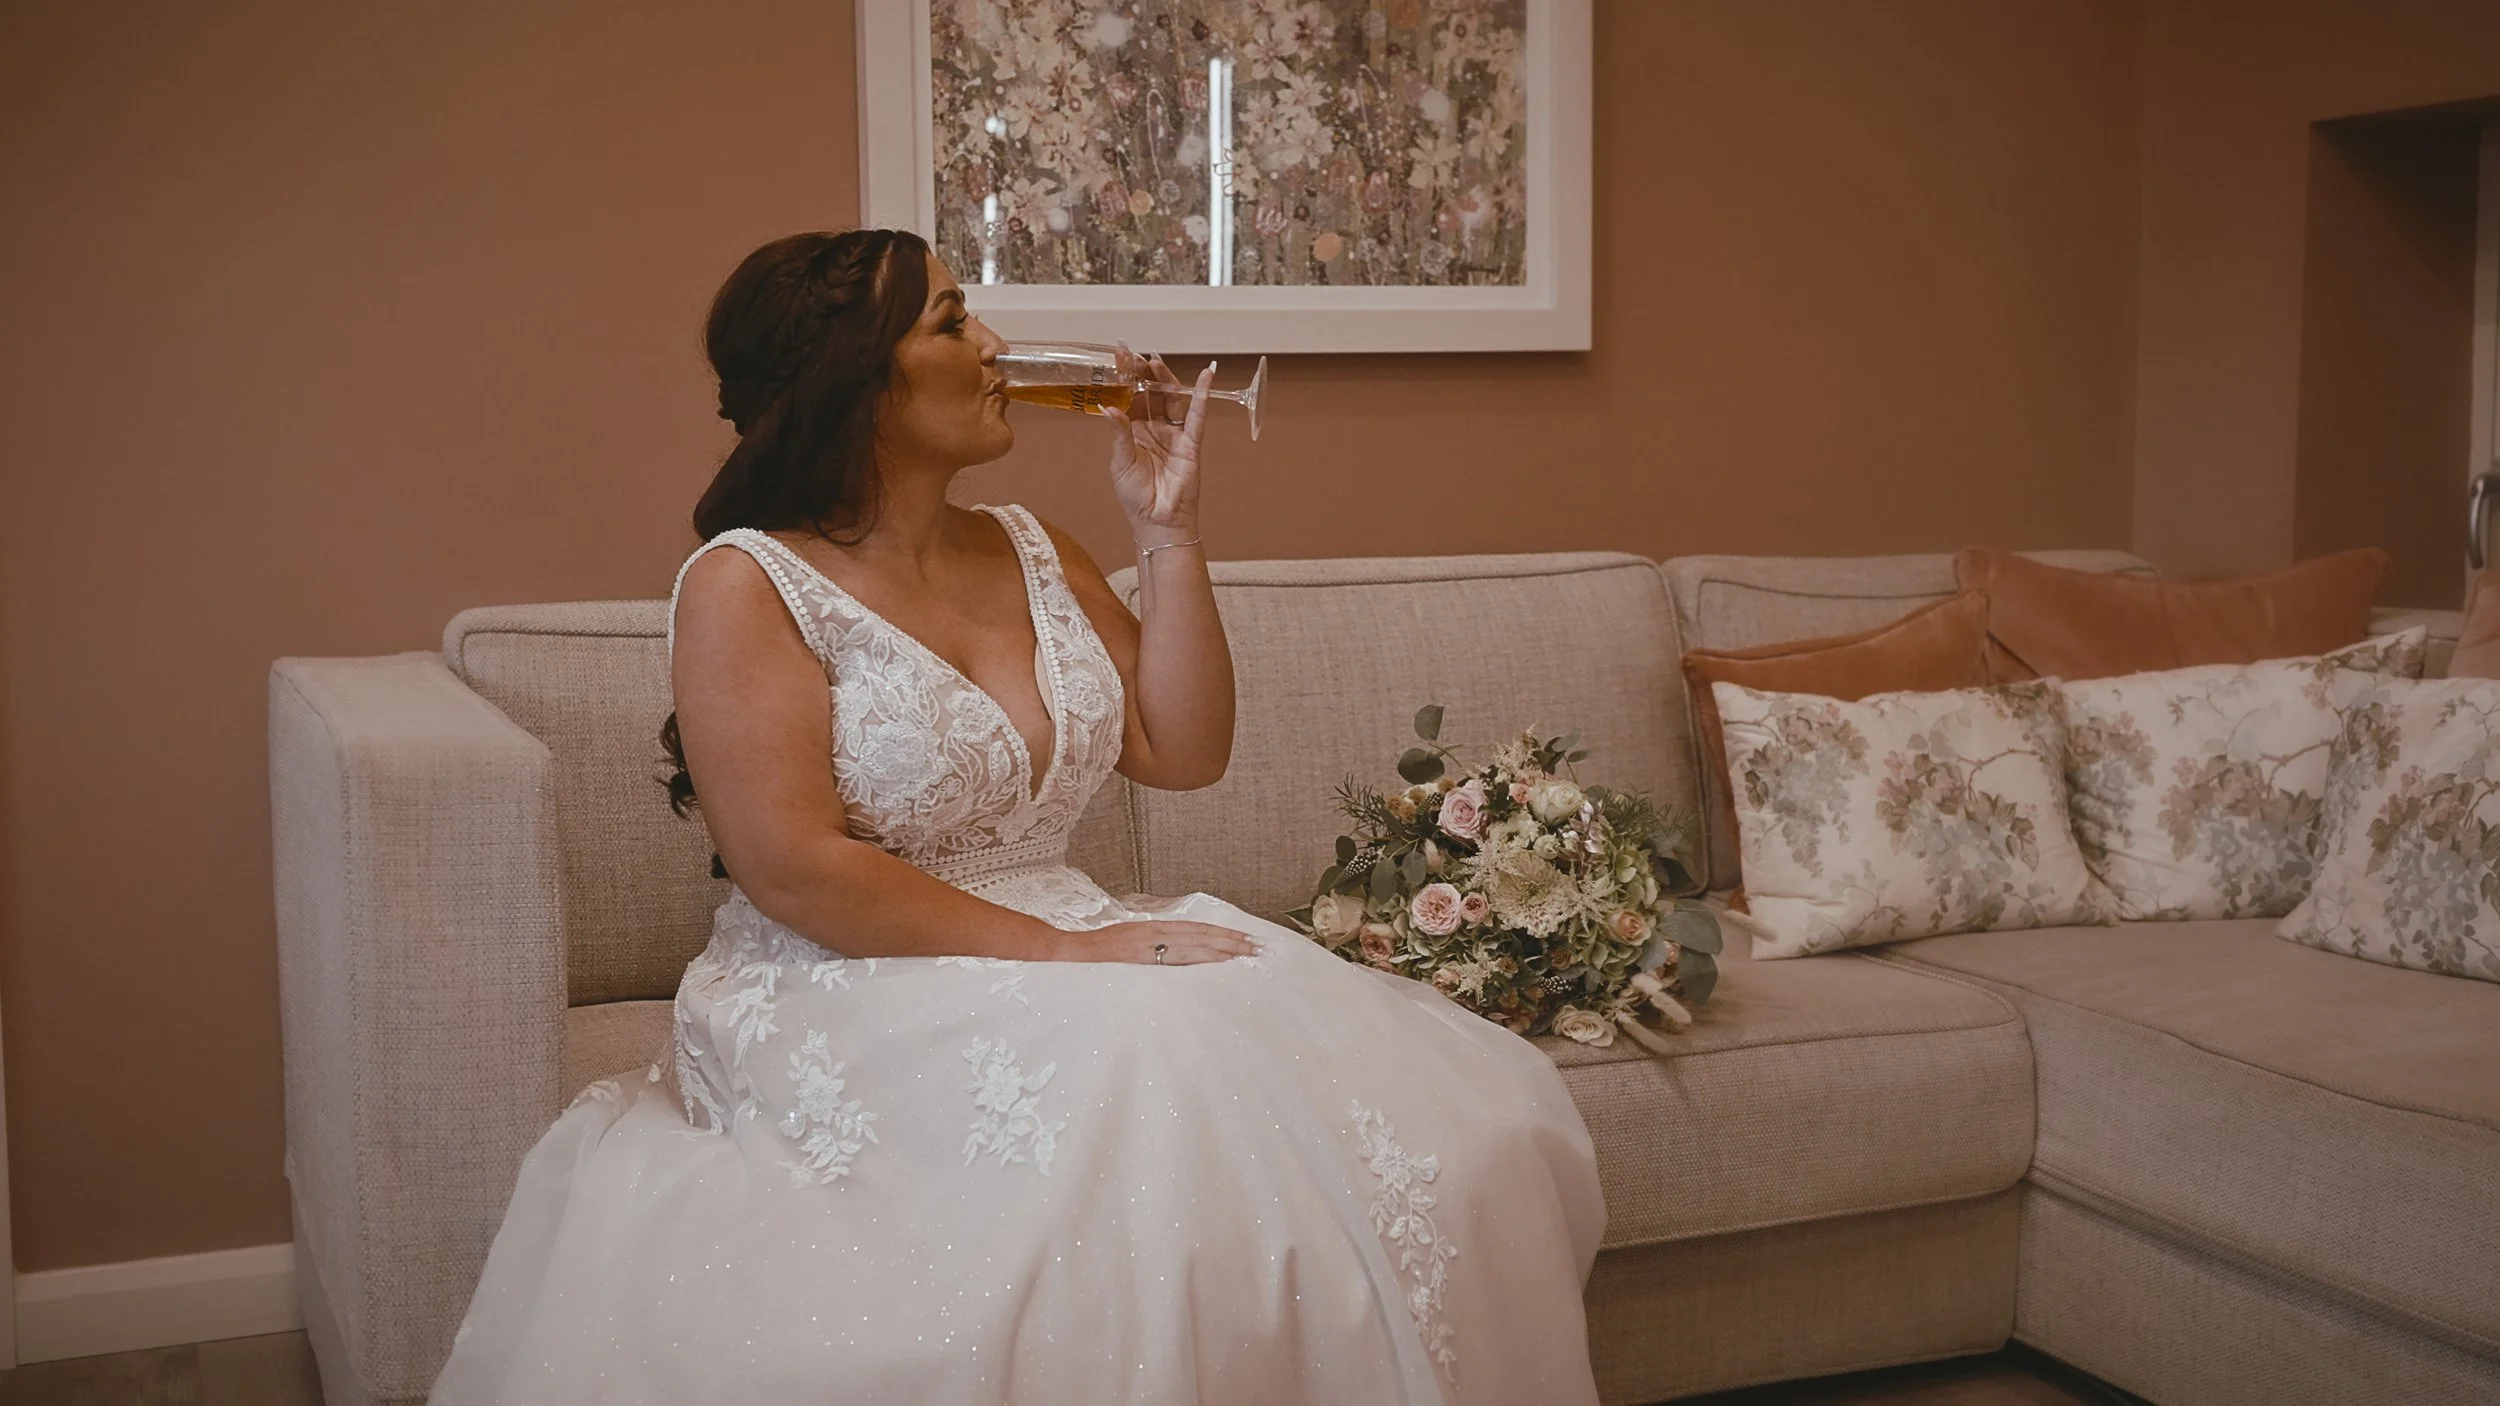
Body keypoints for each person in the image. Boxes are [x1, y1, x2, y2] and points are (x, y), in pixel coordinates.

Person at [429, 229, 1604, 1406]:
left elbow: (1182, 751)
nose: (995, 348)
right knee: (1159, 1062)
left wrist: (1169, 533)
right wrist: (1067, 952)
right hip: (850, 965)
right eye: (951, 323)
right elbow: (791, 868)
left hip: (1072, 929)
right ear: (859, 376)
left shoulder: (1036, 547)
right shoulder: (747, 581)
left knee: (1431, 1100)